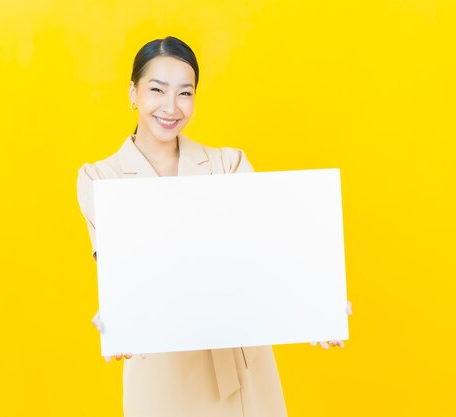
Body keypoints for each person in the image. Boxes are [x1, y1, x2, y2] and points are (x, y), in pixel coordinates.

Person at [76, 36, 352, 417]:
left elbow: (267, 253)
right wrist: (119, 313)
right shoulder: (99, 178)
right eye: (157, 90)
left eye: (184, 93)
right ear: (133, 93)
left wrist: (317, 305)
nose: (171, 107)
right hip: (162, 373)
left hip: (242, 370)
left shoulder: (229, 164)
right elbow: (121, 270)